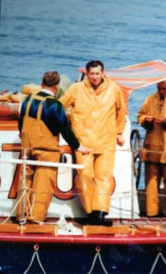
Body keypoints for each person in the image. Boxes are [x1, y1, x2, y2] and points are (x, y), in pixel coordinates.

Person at [16, 71, 89, 224]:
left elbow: (21, 123)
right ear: (56, 87)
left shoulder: (28, 100)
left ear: (42, 84)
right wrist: (78, 146)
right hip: (46, 150)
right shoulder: (55, 105)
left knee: (25, 181)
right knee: (43, 185)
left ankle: (21, 214)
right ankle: (36, 217)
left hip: (26, 147)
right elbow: (64, 129)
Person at [60, 60, 127, 226]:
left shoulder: (114, 89)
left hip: (106, 141)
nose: (95, 77)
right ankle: (89, 212)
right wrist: (67, 122)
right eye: (92, 74)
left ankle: (99, 214)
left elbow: (122, 111)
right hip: (84, 143)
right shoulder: (76, 89)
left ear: (103, 73)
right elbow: (60, 106)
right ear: (87, 74)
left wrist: (119, 132)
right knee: (85, 177)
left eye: (98, 73)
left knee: (103, 178)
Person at [137, 79, 166, 217]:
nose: (161, 91)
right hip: (152, 148)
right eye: (159, 88)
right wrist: (146, 120)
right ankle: (152, 214)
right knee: (151, 185)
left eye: (163, 89)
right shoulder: (150, 99)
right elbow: (140, 115)